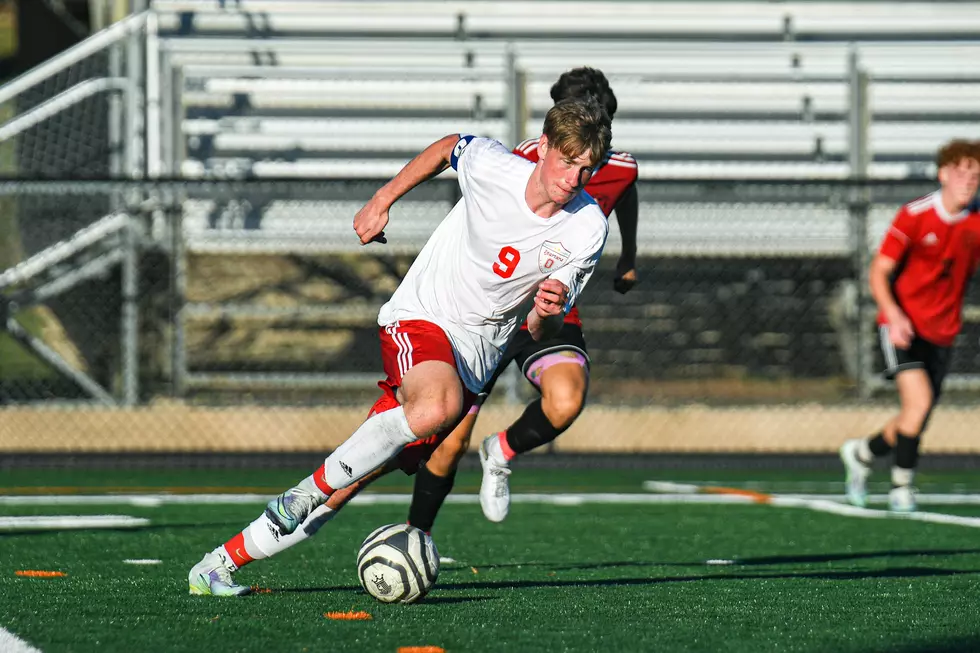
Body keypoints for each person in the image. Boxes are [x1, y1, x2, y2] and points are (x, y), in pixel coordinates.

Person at [188, 94, 613, 596]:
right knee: (436, 405)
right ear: (543, 146)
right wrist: (382, 200)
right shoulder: (495, 166)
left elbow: (541, 332)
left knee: (354, 476)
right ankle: (305, 491)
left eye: (585, 170)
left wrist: (548, 311)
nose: (572, 179)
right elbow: (448, 148)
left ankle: (217, 565)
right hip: (421, 317)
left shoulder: (587, 227)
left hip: (476, 358)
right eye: (566, 162)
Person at [839, 139, 980, 513]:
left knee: (913, 418)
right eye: (962, 174)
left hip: (942, 332)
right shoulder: (915, 215)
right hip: (901, 326)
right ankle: (902, 488)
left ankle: (862, 454)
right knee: (917, 406)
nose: (969, 182)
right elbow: (879, 271)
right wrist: (894, 314)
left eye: (976, 176)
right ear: (943, 174)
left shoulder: (976, 221)